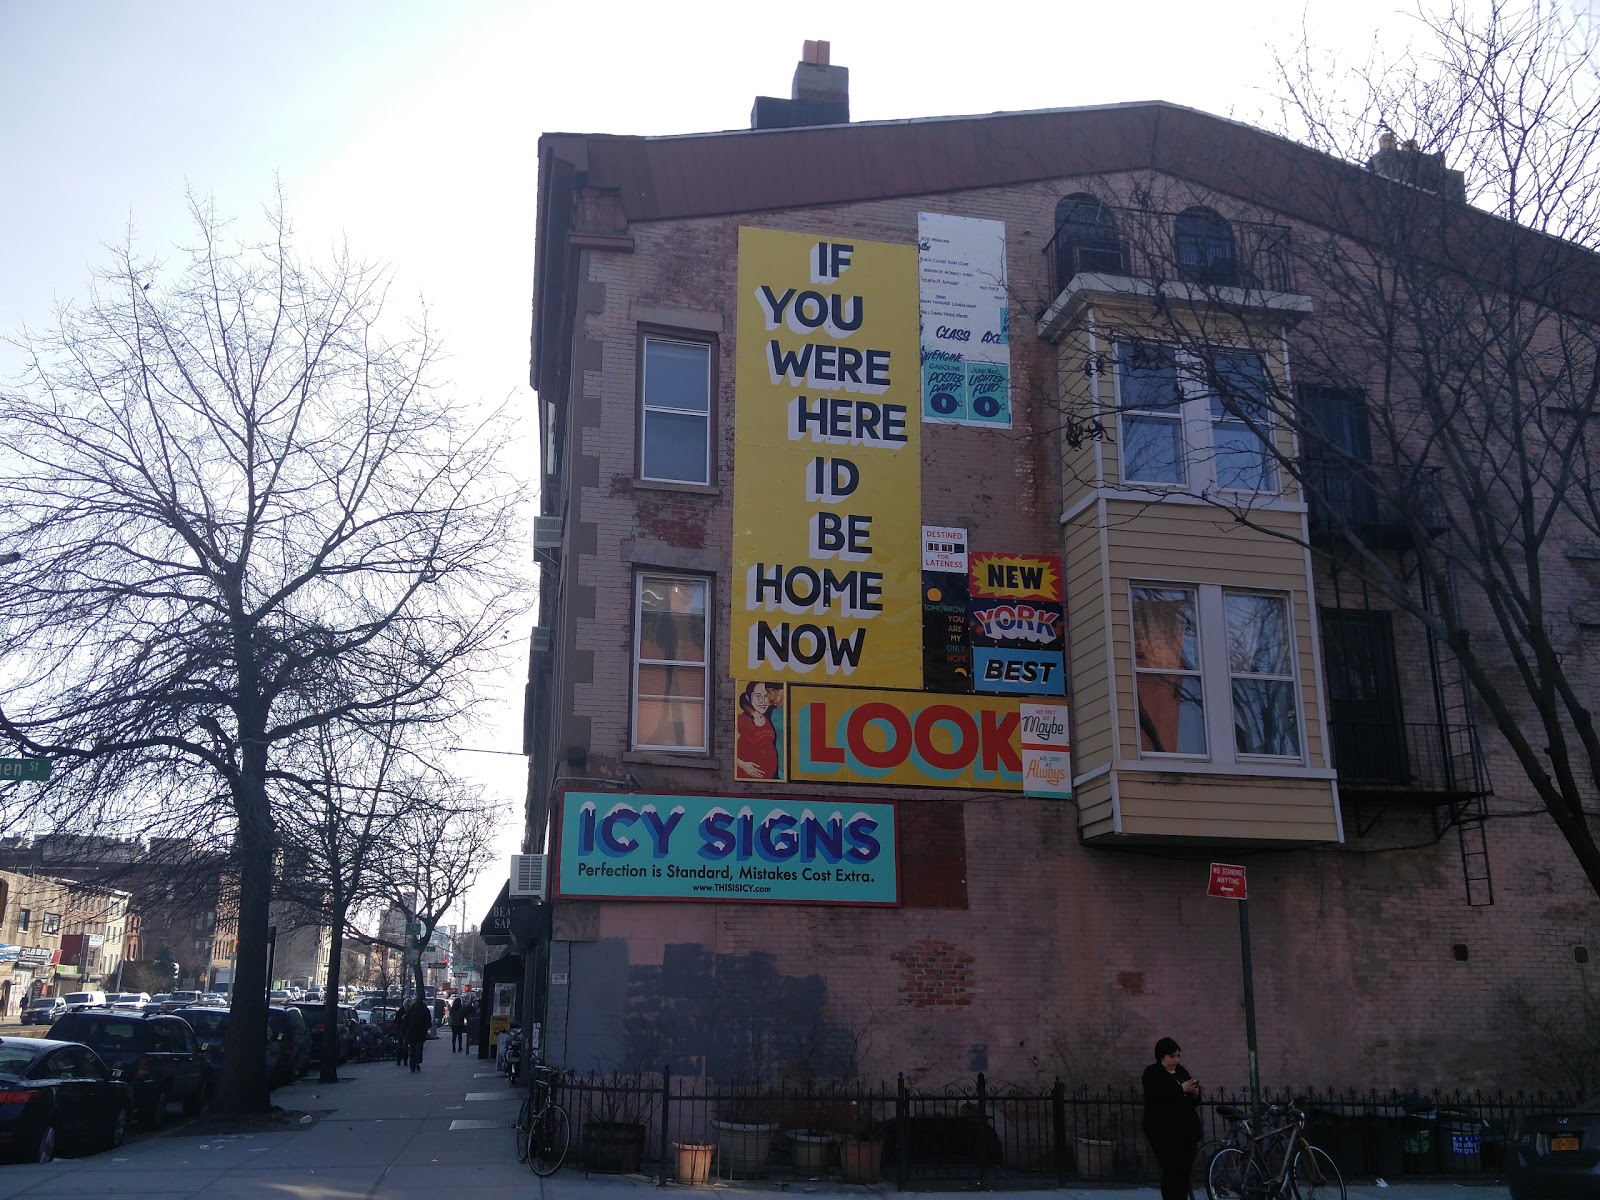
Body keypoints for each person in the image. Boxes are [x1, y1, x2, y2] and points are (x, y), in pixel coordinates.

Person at [1142, 1037, 1202, 1200]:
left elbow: (1192, 1100)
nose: (1176, 1060)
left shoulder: (1181, 1072)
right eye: (1172, 1056)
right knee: (1171, 1169)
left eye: (1178, 1056)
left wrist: (1195, 1093)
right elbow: (1157, 1096)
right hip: (1164, 1132)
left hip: (1186, 1131)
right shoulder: (1152, 1073)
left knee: (1184, 1170)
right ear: (1162, 1056)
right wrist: (1180, 1088)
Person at [734, 680, 783, 780]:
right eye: (757, 696)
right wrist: (743, 765)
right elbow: (727, 753)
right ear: (749, 698)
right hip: (746, 781)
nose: (762, 701)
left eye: (765, 696)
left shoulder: (768, 717)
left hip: (770, 781)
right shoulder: (742, 721)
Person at [403, 994, 432, 1072]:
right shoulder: (425, 1009)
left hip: (411, 1032)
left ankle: (412, 1063)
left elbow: (406, 1020)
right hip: (420, 1032)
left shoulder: (411, 1008)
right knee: (419, 1048)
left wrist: (405, 1030)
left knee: (412, 1049)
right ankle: (417, 1062)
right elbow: (428, 1020)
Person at [394, 999, 410, 1066]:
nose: (407, 1006)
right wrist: (401, 1019)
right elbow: (396, 1020)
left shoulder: (408, 1011)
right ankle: (400, 1060)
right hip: (402, 1030)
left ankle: (403, 1060)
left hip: (405, 1030)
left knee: (404, 1045)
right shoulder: (402, 1010)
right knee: (401, 1045)